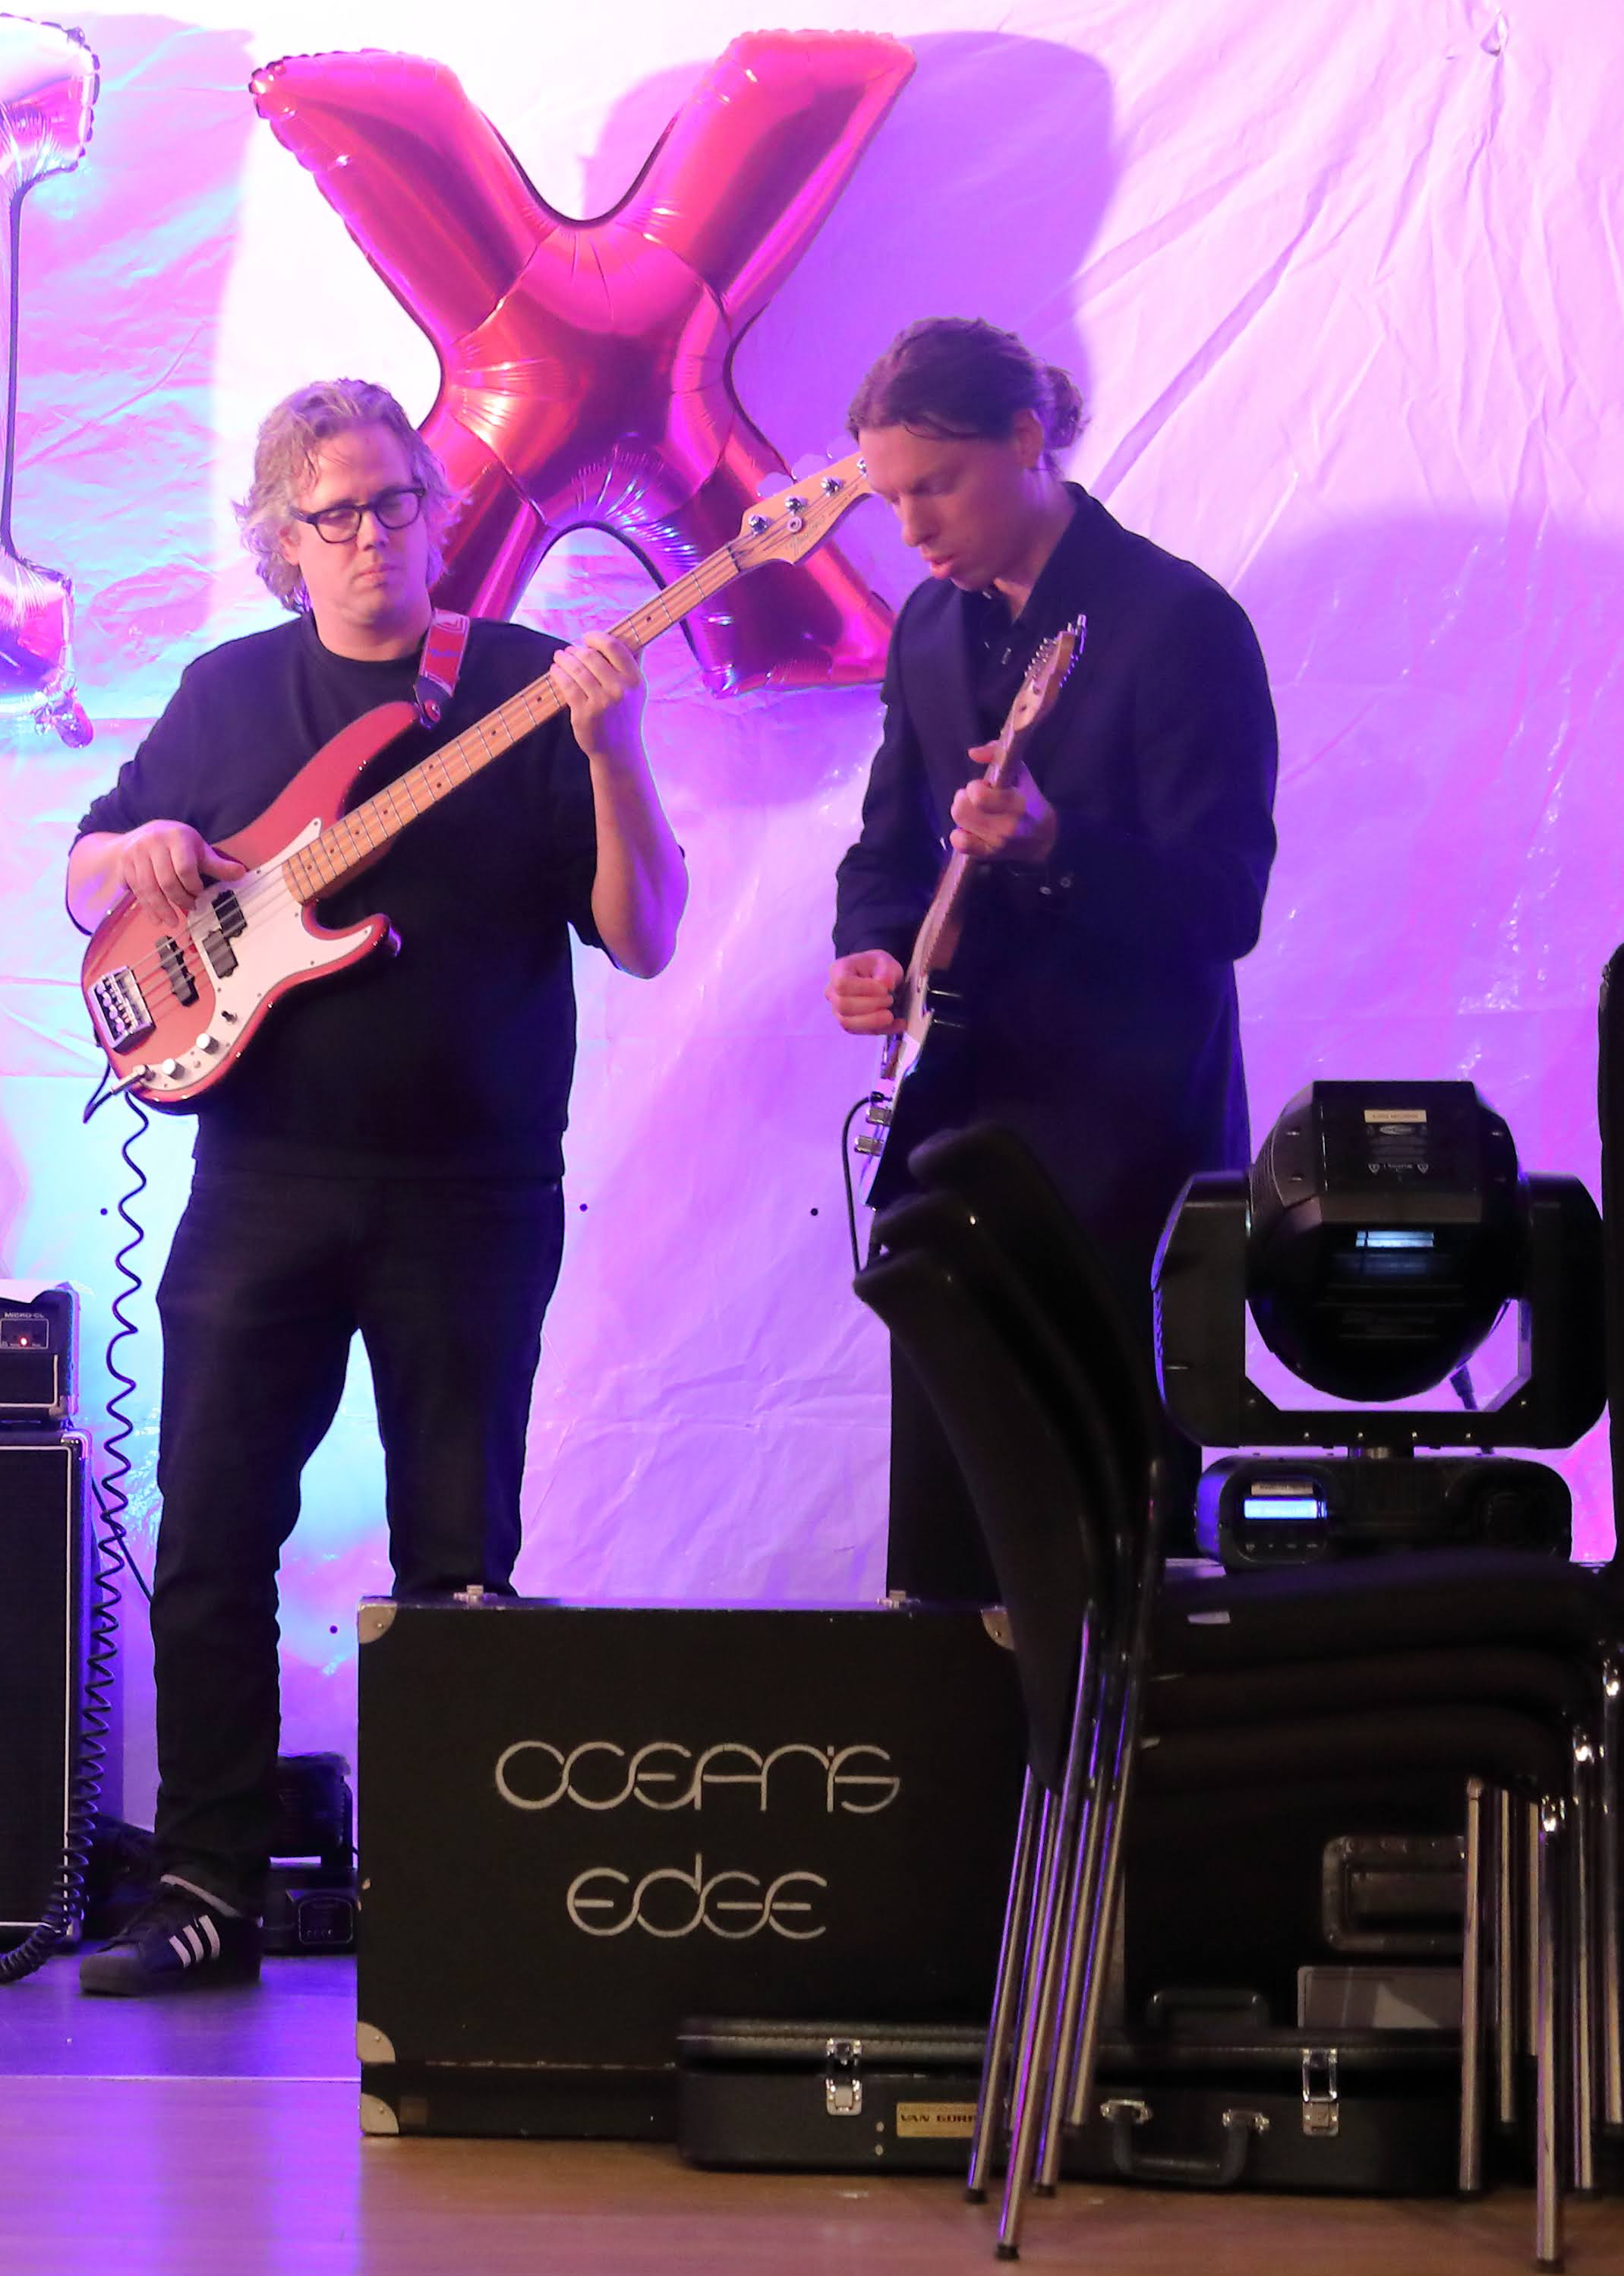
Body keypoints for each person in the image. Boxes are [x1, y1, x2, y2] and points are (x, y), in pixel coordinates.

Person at [65, 379, 688, 1995]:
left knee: (455, 1558)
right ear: (281, 540)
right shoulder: (226, 693)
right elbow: (84, 870)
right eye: (332, 514)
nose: (368, 537)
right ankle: (205, 1884)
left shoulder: (520, 684)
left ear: (431, 511)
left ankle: (446, 1896)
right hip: (262, 1176)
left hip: (471, 1189)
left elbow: (643, 934)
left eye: (394, 502)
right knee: (210, 1536)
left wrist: (612, 747)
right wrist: (137, 854)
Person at [826, 317, 1279, 1601]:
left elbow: (1226, 900)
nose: (912, 528)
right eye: (890, 497)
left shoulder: (1179, 621)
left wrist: (1055, 844)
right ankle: (954, 1722)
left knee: (1106, 1522)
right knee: (950, 1530)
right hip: (954, 1131)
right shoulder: (927, 627)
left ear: (1028, 439)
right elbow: (885, 846)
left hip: (1120, 1148)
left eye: (936, 485)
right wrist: (870, 952)